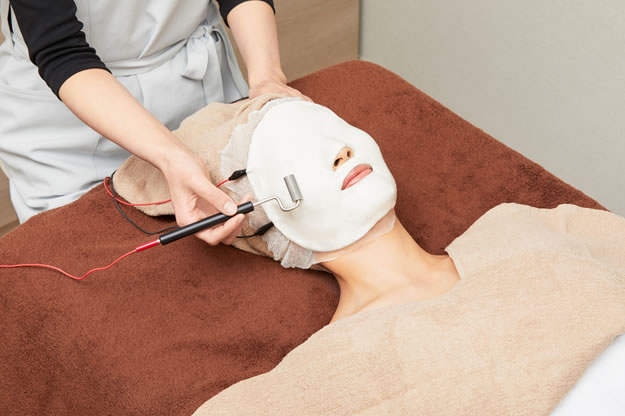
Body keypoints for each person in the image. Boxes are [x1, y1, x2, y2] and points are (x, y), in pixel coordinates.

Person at [0, 0, 307, 248]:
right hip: (70, 128)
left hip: (198, 82)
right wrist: (173, 157)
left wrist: (267, 77)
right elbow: (61, 51)